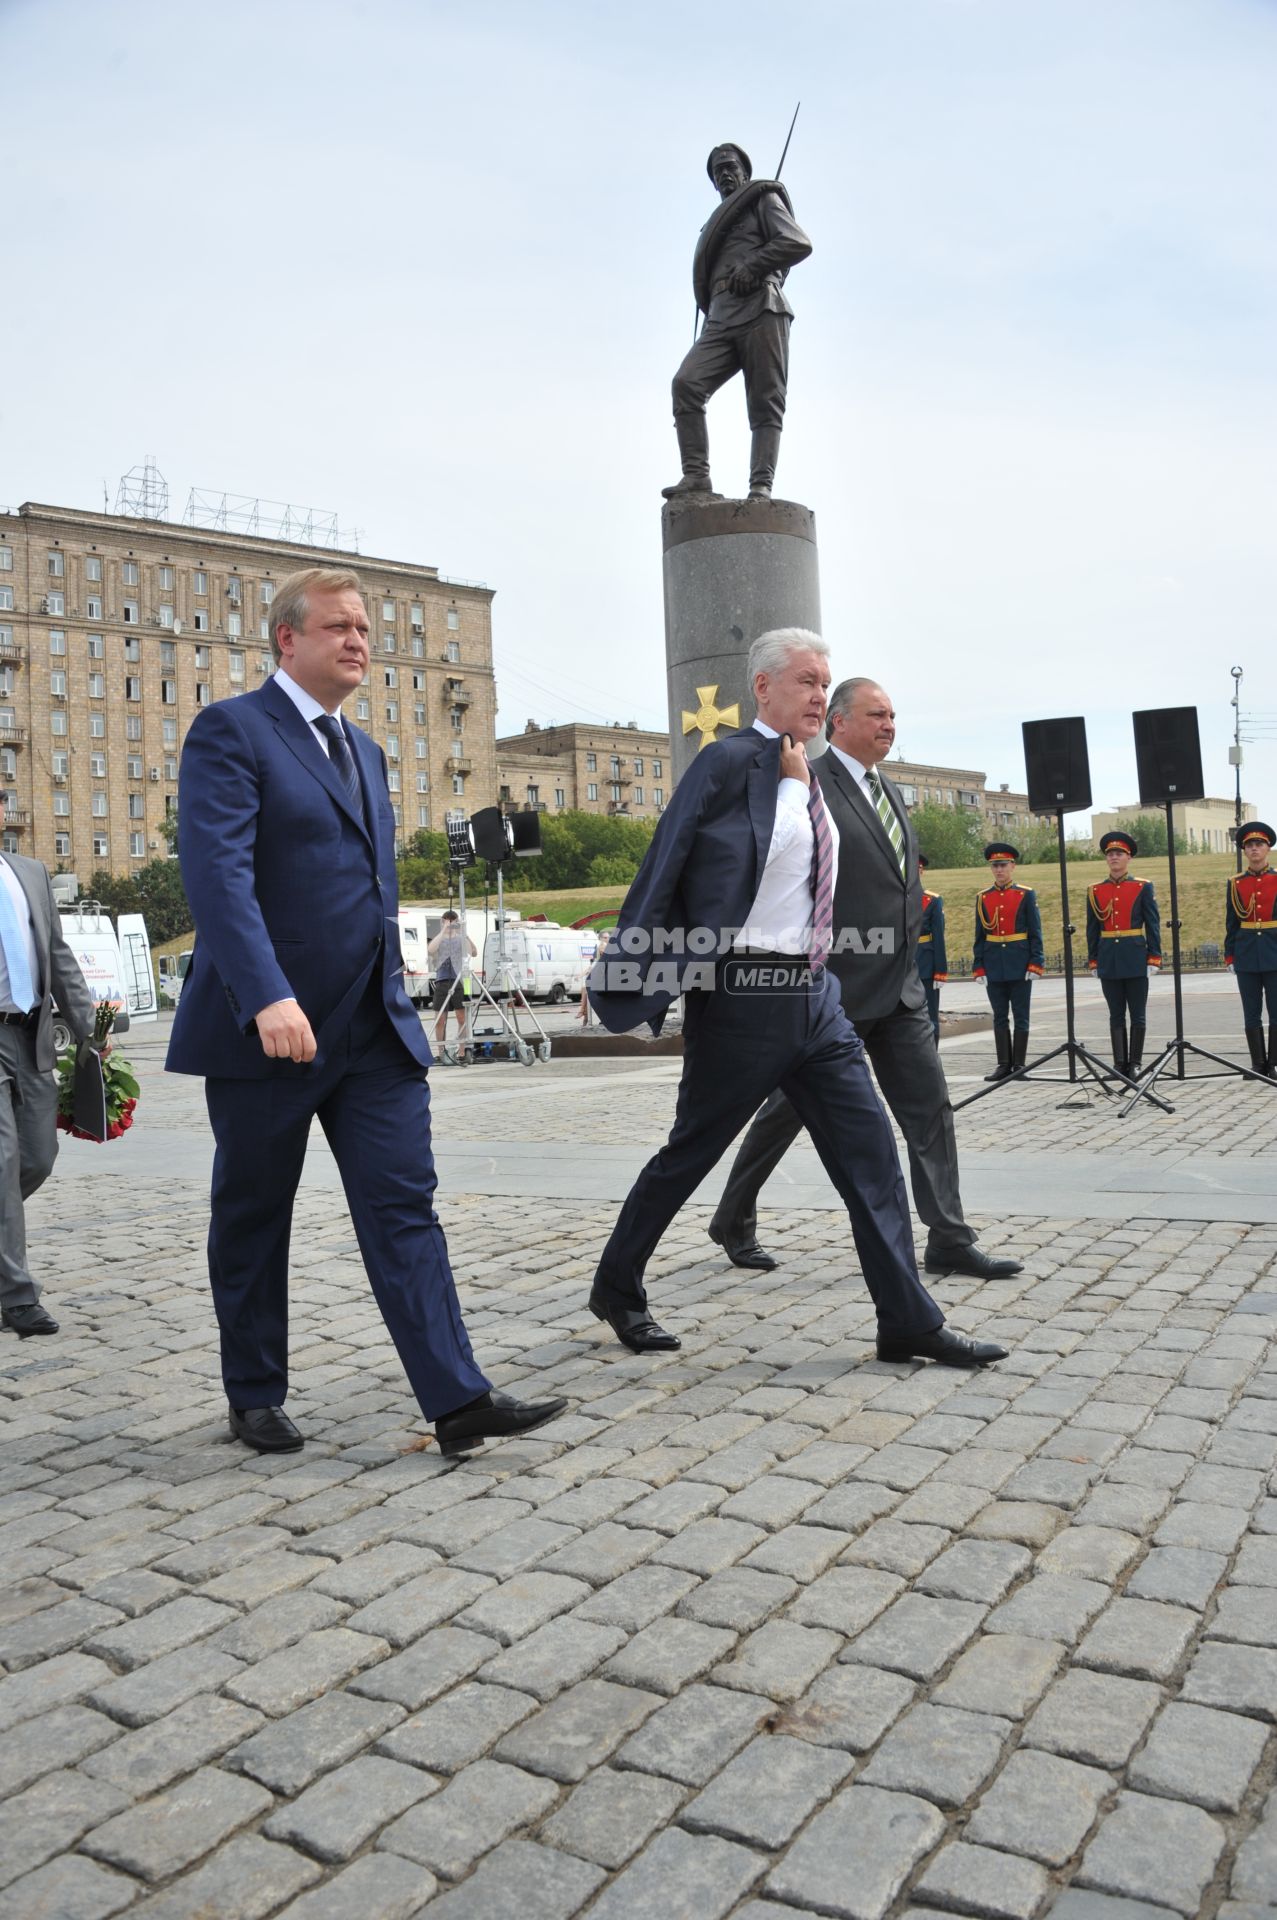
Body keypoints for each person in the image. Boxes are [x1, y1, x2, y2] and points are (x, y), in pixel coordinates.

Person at [166, 567, 564, 1457]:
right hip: (271, 1030)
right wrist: (266, 992)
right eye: (340, 626)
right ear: (287, 639)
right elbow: (218, 876)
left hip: (375, 1029)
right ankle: (254, 1392)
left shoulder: (368, 751)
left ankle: (456, 1397)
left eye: (365, 630)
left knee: (403, 1206)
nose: (359, 641)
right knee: (254, 1215)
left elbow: (369, 888)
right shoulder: (233, 731)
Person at [586, 630, 1007, 1370]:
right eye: (806, 681)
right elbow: (674, 865)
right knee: (690, 1154)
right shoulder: (726, 764)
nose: (818, 694)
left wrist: (797, 783)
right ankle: (616, 1288)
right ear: (763, 689)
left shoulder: (810, 772)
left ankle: (906, 1320)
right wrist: (635, 975)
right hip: (743, 993)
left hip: (815, 996)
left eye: (824, 682)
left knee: (872, 1155)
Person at [709, 678, 1022, 1285]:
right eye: (877, 714)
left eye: (894, 715)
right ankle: (732, 1217)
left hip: (899, 989)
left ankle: (950, 1238)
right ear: (840, 723)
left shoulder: (887, 789)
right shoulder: (808, 783)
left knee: (930, 1108)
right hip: (835, 990)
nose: (889, 724)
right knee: (785, 1111)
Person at [0, 794, 102, 1336]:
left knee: (37, 1156)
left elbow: (58, 957)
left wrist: (90, 1033)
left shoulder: (31, 873)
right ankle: (17, 1298)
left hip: (32, 1034)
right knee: (1, 1159)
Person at [663, 143, 812, 502]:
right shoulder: (715, 226)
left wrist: (755, 264)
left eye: (729, 167)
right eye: (717, 172)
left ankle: (760, 486)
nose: (724, 175)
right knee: (686, 384)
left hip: (762, 306)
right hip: (721, 317)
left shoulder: (762, 201)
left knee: (765, 402)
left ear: (744, 171)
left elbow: (797, 242)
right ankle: (696, 476)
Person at [1085, 830, 1161, 1080]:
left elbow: (1153, 924)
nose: (1114, 858)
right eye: (1110, 854)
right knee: (1115, 1013)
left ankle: (1135, 1064)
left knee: (1137, 1013)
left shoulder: (1142, 887)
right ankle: (1119, 1065)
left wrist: (1154, 956)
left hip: (1135, 956)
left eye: (1119, 853)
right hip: (1109, 957)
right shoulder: (1095, 890)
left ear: (1128, 858)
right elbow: (1092, 928)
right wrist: (1093, 958)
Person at [973, 843, 1044, 1082]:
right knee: (1000, 1015)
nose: (999, 870)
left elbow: (1035, 931)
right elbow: (979, 936)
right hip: (994, 963)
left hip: (1020, 962)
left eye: (1003, 865)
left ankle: (1019, 1065)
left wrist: (1036, 963)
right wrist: (979, 965)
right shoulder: (983, 897)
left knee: (1021, 1015)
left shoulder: (1025, 894)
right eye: (995, 866)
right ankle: (1003, 1064)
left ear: (1013, 866)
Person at [1224, 820, 1277, 1079]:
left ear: (1268, 849)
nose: (1255, 849)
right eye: (1250, 845)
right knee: (1251, 1010)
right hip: (1246, 953)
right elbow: (1231, 922)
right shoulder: (1235, 883)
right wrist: (1230, 954)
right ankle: (1258, 1064)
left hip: (1275, 951)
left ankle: (1274, 1064)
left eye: (1260, 844)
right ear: (1244, 851)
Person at [428, 910, 476, 1063]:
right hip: (442, 980)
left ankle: (462, 1051)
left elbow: (473, 952)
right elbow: (430, 950)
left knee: (462, 1017)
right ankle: (441, 1051)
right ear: (442, 921)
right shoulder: (440, 938)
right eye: (447, 920)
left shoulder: (461, 938)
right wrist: (443, 930)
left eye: (452, 921)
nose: (450, 923)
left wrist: (464, 932)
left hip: (460, 981)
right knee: (440, 1019)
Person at [916, 853, 949, 1044]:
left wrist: (940, 971)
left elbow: (938, 938)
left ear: (922, 871)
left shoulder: (932, 901)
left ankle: (932, 1063)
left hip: (926, 964)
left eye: (917, 869)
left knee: (930, 1018)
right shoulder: (896, 899)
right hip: (903, 967)